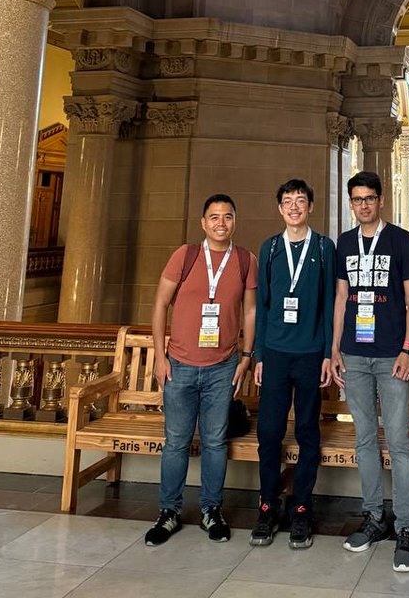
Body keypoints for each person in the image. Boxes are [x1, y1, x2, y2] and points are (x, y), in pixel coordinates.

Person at [144, 193, 258, 547]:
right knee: (176, 442)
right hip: (178, 364)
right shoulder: (186, 255)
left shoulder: (244, 260)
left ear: (235, 221)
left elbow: (251, 311)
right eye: (214, 217)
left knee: (214, 442)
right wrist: (159, 356)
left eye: (227, 216)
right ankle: (169, 512)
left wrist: (246, 355)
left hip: (222, 368)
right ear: (203, 223)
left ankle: (212, 510)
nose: (220, 223)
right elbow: (161, 303)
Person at [331, 170, 409, 573]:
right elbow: (341, 297)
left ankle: (406, 527)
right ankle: (375, 519)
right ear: (350, 204)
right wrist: (334, 349)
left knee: (399, 443)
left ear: (380, 201)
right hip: (354, 355)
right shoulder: (345, 243)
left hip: (391, 356)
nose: (363, 204)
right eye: (356, 199)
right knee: (365, 439)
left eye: (369, 198)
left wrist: (408, 349)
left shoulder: (399, 239)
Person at [250, 179, 336, 550]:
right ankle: (268, 505)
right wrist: (258, 355)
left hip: (310, 354)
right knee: (268, 433)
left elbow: (330, 305)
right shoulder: (269, 248)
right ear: (279, 208)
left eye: (300, 201)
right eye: (287, 201)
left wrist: (329, 354)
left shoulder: (323, 247)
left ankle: (301, 507)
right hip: (275, 354)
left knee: (306, 432)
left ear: (311, 206)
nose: (294, 207)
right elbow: (264, 305)